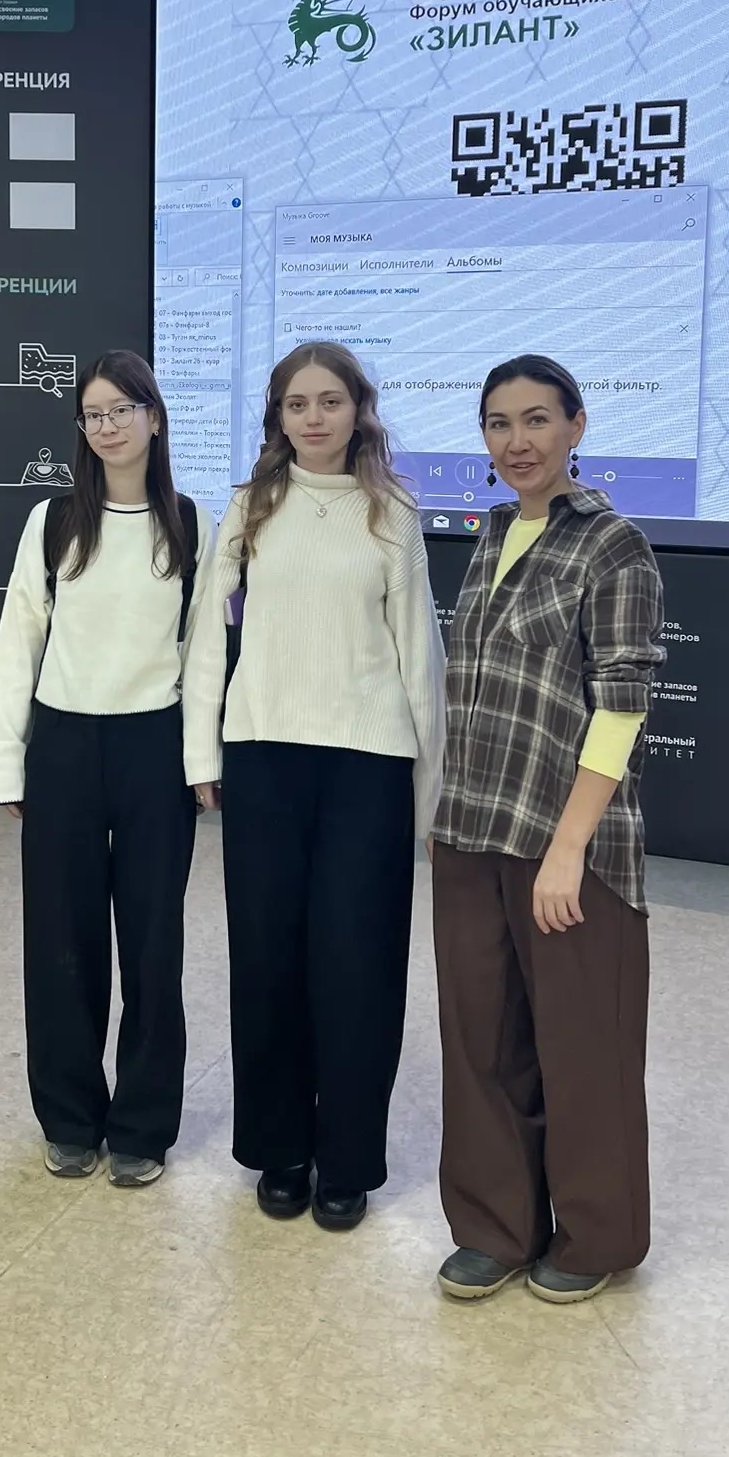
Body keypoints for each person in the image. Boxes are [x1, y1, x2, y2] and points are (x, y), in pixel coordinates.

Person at [185, 341, 445, 1232]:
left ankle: (348, 1160)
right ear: (278, 417)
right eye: (297, 404)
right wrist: (203, 754)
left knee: (358, 965)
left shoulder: (392, 512)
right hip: (265, 756)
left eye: (330, 400)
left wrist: (429, 792)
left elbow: (420, 655)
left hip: (367, 765)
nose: (314, 417)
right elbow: (207, 639)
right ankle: (281, 1150)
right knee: (267, 961)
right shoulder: (249, 506)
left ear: (357, 410)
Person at [431, 354, 664, 1305]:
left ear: (576, 426)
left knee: (582, 1047)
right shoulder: (492, 533)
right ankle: (496, 1227)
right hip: (470, 829)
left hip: (566, 846)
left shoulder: (614, 545)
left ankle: (597, 1235)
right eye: (499, 423)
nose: (517, 441)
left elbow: (621, 704)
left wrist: (568, 850)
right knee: (481, 1046)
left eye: (536, 420)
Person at [0, 350, 214, 1189]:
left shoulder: (190, 524)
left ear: (154, 417)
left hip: (154, 749)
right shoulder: (52, 523)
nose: (108, 426)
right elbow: (19, 642)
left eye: (122, 409)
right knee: (60, 942)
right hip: (65, 747)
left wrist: (201, 763)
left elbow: (205, 653)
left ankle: (143, 1127)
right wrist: (7, 766)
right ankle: (70, 1120)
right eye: (93, 414)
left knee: (153, 946)